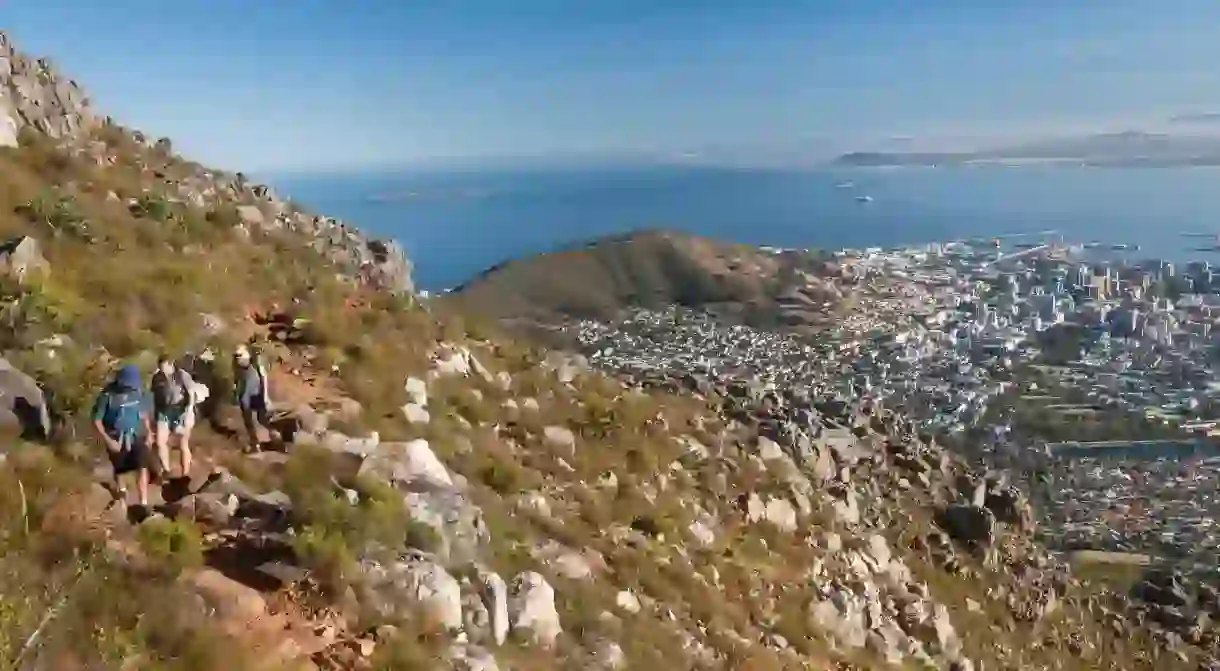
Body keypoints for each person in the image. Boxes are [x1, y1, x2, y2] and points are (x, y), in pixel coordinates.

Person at [92, 364, 152, 507]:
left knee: (142, 467)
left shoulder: (138, 393)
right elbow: (96, 420)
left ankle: (143, 503)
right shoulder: (107, 396)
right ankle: (122, 497)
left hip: (136, 435)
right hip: (115, 436)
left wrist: (149, 432)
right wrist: (108, 440)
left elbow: (143, 414)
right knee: (120, 470)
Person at [150, 355, 197, 483]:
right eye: (159, 367)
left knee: (183, 442)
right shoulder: (157, 378)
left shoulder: (182, 375)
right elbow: (156, 396)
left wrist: (188, 411)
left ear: (171, 364)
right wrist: (155, 416)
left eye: (163, 367)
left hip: (181, 409)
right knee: (160, 442)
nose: (161, 370)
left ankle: (185, 473)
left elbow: (191, 394)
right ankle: (166, 470)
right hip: (164, 411)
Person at [234, 344, 272, 452]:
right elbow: (237, 378)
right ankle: (255, 444)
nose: (238, 358)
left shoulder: (256, 363)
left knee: (263, 419)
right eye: (236, 356)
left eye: (240, 355)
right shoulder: (237, 365)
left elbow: (264, 377)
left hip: (256, 392)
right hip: (245, 393)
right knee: (248, 420)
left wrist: (265, 396)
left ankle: (276, 440)